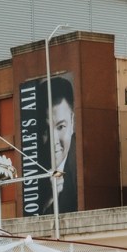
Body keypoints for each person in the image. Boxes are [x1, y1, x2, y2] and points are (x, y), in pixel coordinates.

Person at [47, 75, 78, 215]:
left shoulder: (78, 169)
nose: (53, 140)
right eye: (46, 130)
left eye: (60, 127)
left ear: (72, 122)